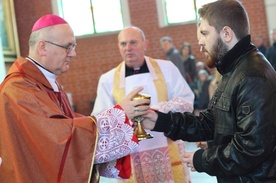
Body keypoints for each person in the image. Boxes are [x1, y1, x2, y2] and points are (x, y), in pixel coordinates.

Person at [0, 14, 151, 183]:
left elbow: (67, 124)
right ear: (43, 47)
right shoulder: (20, 88)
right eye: (68, 47)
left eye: (74, 46)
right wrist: (118, 115)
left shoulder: (44, 83)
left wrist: (117, 117)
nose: (73, 53)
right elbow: (57, 140)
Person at [142, 1, 276, 182]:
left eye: (205, 33)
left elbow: (250, 149)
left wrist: (202, 159)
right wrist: (162, 121)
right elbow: (211, 122)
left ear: (227, 34)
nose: (199, 42)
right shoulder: (233, 69)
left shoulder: (252, 76)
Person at [92, 26, 194, 183]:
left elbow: (186, 101)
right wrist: (124, 114)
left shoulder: (167, 69)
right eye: (123, 44)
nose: (128, 48)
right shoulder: (107, 80)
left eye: (133, 42)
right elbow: (101, 118)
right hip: (132, 156)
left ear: (145, 44)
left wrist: (155, 112)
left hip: (168, 149)